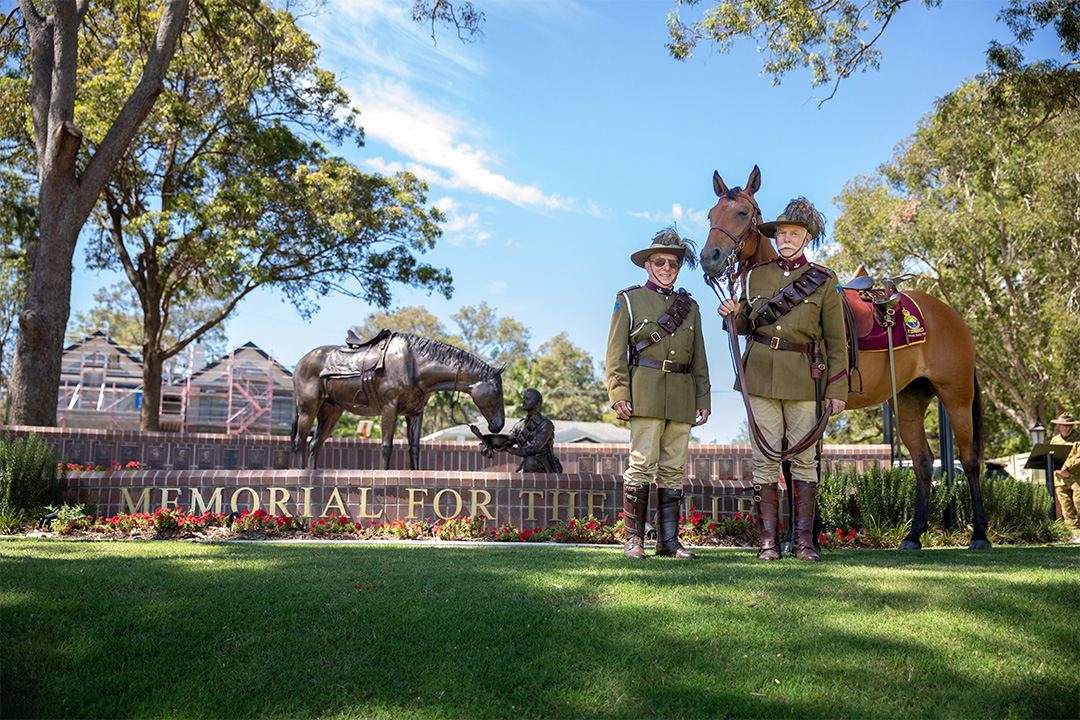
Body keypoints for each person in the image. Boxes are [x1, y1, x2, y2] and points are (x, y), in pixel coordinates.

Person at [717, 198, 847, 562]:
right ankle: (768, 543)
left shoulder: (824, 280)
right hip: (758, 377)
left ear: (807, 238)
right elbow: (745, 327)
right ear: (774, 237)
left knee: (805, 461)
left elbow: (836, 342)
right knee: (764, 462)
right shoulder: (755, 276)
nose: (787, 239)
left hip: (804, 379)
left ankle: (804, 542)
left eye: (794, 233)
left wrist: (837, 390)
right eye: (782, 234)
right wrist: (733, 315)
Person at [606, 228, 710, 559]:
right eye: (660, 262)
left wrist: (703, 399)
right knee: (640, 465)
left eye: (673, 263)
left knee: (673, 470)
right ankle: (633, 541)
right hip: (645, 392)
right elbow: (615, 354)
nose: (667, 268)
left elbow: (700, 357)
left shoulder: (690, 307)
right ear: (648, 264)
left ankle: (668, 542)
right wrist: (619, 391)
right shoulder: (629, 299)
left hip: (682, 396)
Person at [502, 389, 563, 473]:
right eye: (523, 398)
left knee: (529, 462)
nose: (523, 401)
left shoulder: (545, 424)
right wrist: (489, 442)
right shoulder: (520, 425)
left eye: (527, 399)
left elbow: (535, 449)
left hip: (544, 464)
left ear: (537, 404)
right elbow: (506, 441)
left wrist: (511, 450)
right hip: (527, 463)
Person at [1049, 411, 1080, 537]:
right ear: (1059, 426)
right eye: (1062, 425)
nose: (1065, 427)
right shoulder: (1055, 440)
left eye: (1068, 425)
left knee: (1079, 503)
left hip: (1076, 479)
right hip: (1060, 480)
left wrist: (1067, 466)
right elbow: (1051, 456)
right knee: (1066, 510)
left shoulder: (1078, 438)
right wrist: (1058, 469)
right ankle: (1074, 536)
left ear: (1072, 426)